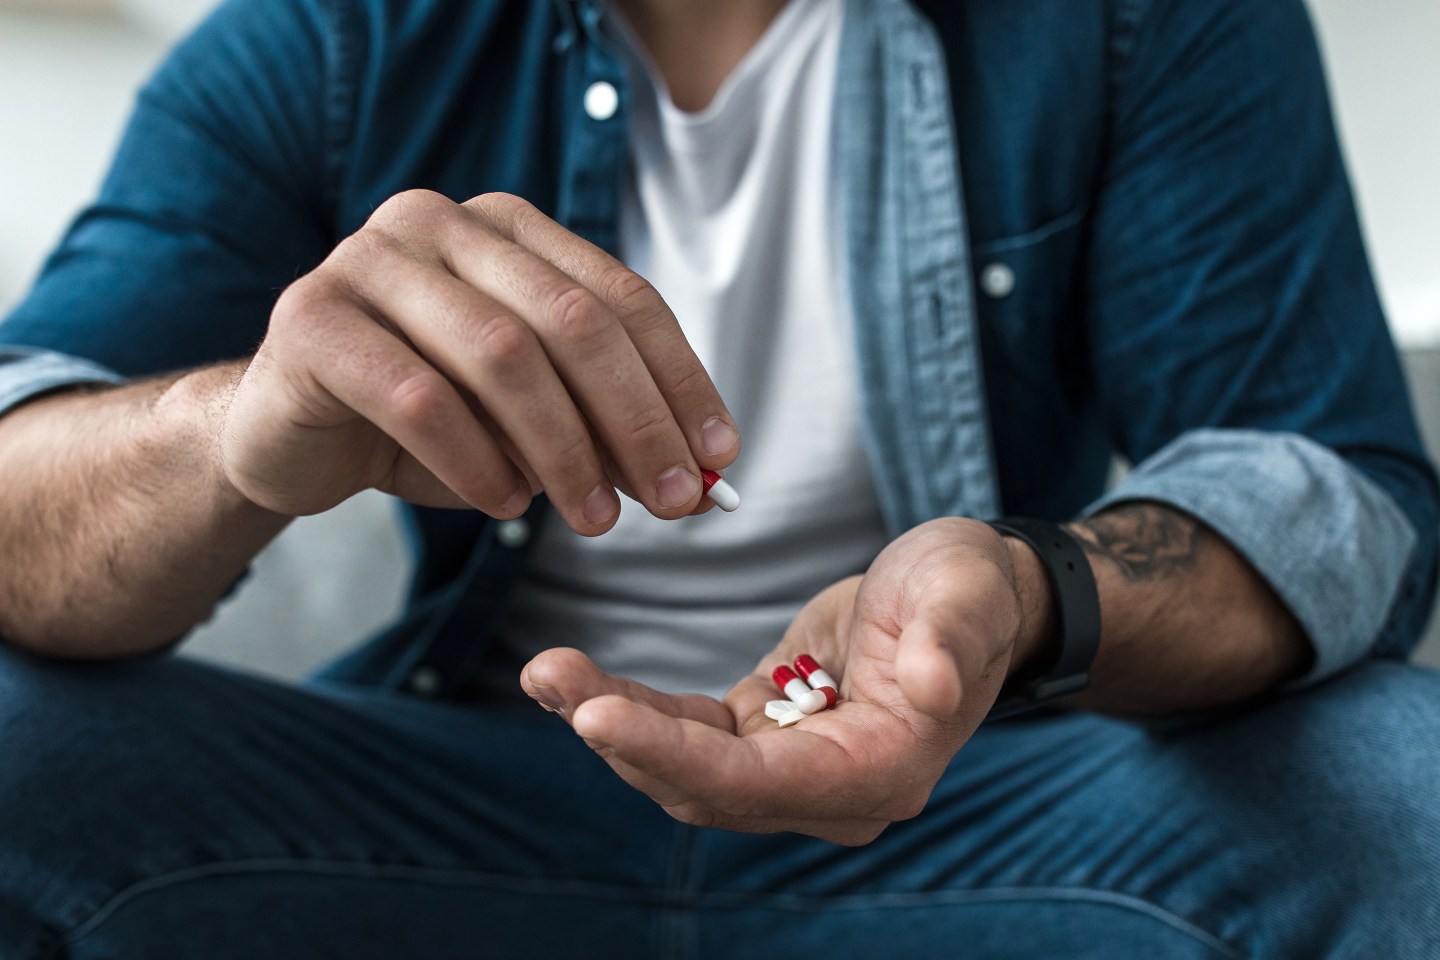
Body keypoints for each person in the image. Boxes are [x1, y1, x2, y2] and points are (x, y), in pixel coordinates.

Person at [0, 0, 1436, 955]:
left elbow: (1336, 496)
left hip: (985, 806)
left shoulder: (1134, 21)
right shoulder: (332, 37)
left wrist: (1016, 594)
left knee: (1401, 780)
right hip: (459, 802)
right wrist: (236, 427)